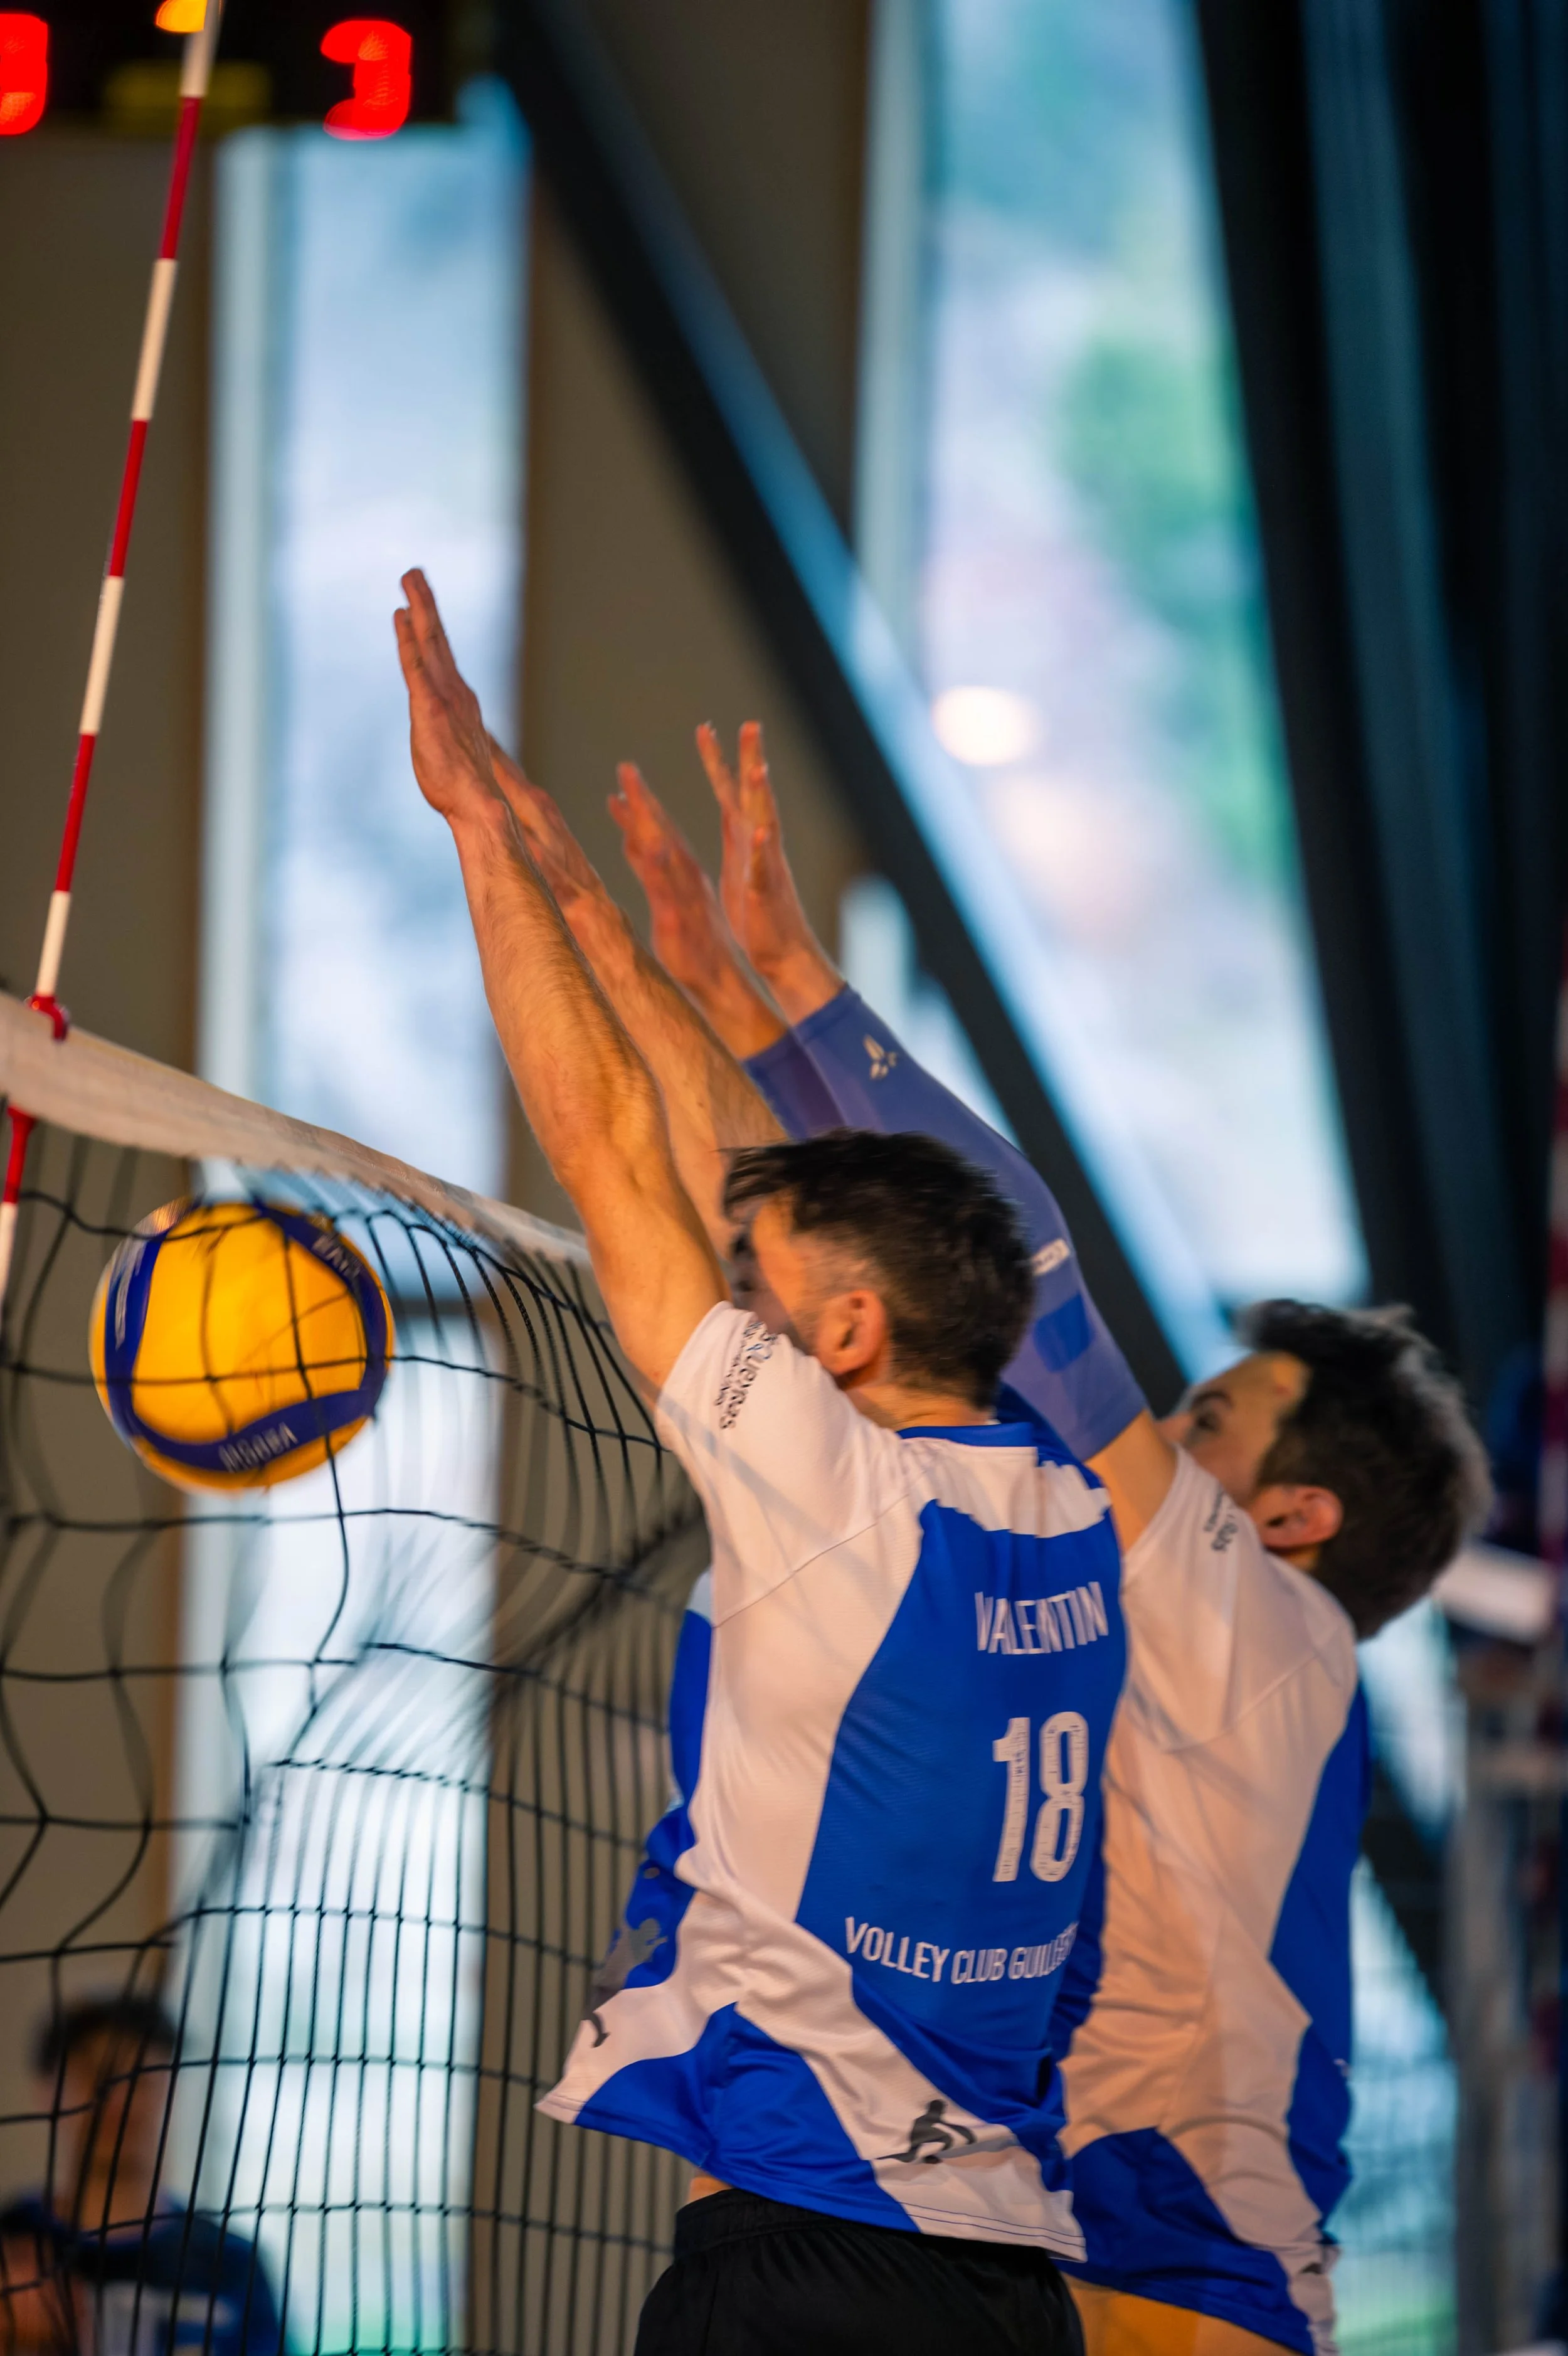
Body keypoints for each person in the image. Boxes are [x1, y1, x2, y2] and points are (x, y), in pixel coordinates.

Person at [580, 719, 1492, 2356]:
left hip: (1184, 2292)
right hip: (1087, 2281)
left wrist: (784, 981)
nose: (1142, 1430)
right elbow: (819, 1265)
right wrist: (714, 1008)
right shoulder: (1103, 1611)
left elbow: (1033, 1274)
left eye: (1202, 1422)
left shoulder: (1264, 1637)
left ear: (1289, 1519)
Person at [395, 570, 1126, 2356]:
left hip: (803, 2265)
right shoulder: (1064, 1503)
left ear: (854, 1335)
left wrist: (480, 834)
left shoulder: (839, 1504)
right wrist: (594, 902)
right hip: (1004, 2284)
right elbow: (747, 1179)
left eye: (774, 1297)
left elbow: (613, 1160)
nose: (748, 1304)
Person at [1, 1993, 285, 2356]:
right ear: (50, 2091)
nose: (119, 2099)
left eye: (142, 2076)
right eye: (97, 2076)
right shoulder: (12, 2245)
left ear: (173, 2089)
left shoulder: (232, 2264)